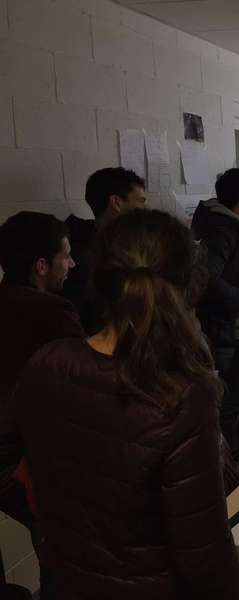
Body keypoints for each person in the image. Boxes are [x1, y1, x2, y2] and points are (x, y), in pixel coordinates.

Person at [11, 209, 239, 600]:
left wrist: (48, 526)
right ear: (185, 284)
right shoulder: (182, 396)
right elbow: (206, 560)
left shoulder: (48, 362)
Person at [0, 212, 85, 597]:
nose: (72, 264)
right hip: (25, 462)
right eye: (65, 256)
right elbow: (88, 382)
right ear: (41, 266)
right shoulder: (50, 312)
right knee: (63, 557)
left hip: (9, 459)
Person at [192, 168, 239, 456]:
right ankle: (234, 465)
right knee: (234, 400)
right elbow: (206, 277)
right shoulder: (224, 229)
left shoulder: (237, 224)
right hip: (230, 329)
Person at [62, 167, 147, 333]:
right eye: (141, 201)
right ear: (116, 203)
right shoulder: (80, 258)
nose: (145, 208)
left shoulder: (132, 247)